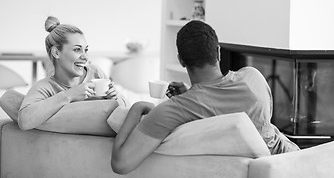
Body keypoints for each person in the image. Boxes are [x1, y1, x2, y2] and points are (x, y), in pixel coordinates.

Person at [111, 20, 300, 174]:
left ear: (181, 60)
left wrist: (137, 107)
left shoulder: (175, 109)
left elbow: (121, 164)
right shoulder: (253, 78)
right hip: (293, 163)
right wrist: (191, 94)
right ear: (218, 52)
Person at [18, 16, 124, 131]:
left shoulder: (95, 73)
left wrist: (116, 97)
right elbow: (24, 121)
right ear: (56, 52)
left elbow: (126, 111)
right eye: (77, 49)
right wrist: (69, 95)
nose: (85, 57)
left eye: (86, 50)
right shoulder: (45, 87)